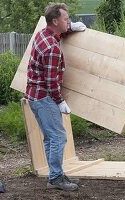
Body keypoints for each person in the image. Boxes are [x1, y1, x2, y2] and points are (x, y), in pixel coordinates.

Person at [24, 2, 86, 191]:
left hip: (35, 95)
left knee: (51, 137)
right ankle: (56, 178)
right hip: (44, 97)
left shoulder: (44, 34)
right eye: (66, 19)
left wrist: (68, 29)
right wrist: (60, 102)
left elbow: (55, 33)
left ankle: (55, 174)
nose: (69, 21)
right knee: (58, 136)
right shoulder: (52, 48)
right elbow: (51, 82)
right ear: (54, 20)